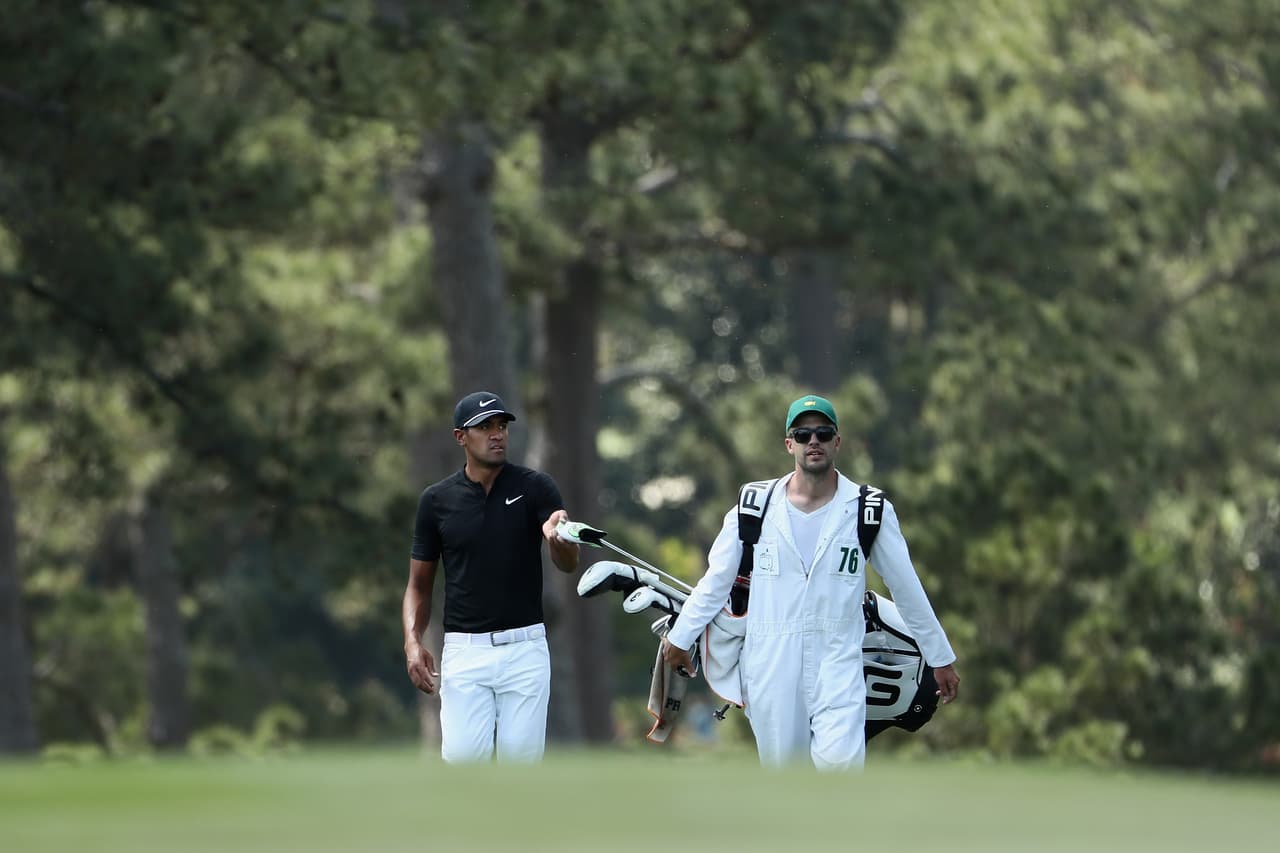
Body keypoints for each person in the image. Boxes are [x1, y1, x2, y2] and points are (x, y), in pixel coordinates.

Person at [661, 394, 960, 770]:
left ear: (838, 442)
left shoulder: (869, 510)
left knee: (840, 779)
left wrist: (940, 657)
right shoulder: (754, 506)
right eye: (802, 434)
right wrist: (681, 636)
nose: (813, 441)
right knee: (787, 788)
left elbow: (907, 588)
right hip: (770, 666)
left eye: (823, 433)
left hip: (838, 665)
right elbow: (715, 581)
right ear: (790, 444)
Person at [403, 390, 580, 763]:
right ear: (460, 437)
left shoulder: (535, 487)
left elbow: (567, 562)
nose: (496, 434)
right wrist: (412, 641)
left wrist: (557, 537)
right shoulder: (436, 501)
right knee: (465, 770)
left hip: (526, 650)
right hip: (465, 654)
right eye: (484, 427)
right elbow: (418, 585)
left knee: (521, 773)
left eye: (501, 426)